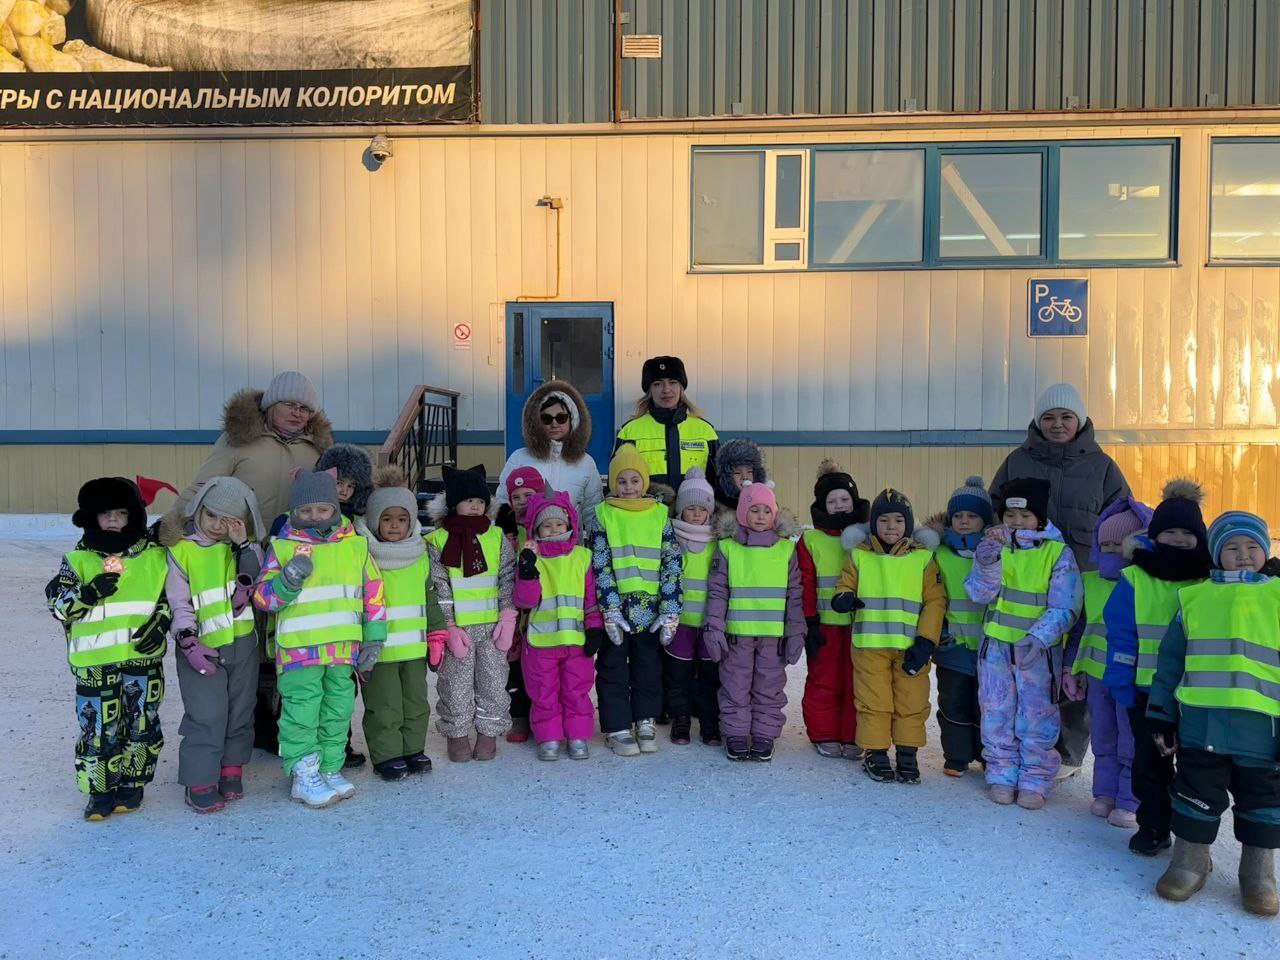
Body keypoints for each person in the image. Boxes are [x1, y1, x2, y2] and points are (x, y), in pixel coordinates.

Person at [163, 370, 334, 755]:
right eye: (290, 405)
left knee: (288, 639)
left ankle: (286, 722)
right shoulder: (240, 441)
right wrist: (173, 526)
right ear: (271, 405)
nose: (297, 413)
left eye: (305, 408)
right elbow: (202, 487)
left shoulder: (316, 449)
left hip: (296, 556)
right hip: (242, 553)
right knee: (248, 640)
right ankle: (249, 722)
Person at [1147, 511, 1280, 917]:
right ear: (1217, 554)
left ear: (1267, 551)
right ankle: (1190, 862)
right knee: (1193, 795)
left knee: (1263, 802)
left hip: (1263, 730)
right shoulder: (1194, 597)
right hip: (1201, 724)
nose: (1243, 556)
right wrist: (1161, 715)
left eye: (1252, 547)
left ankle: (1258, 875)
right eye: (1232, 548)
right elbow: (1170, 664)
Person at [252, 469, 386, 808]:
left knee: (338, 710)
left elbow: (373, 595)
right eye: (306, 511)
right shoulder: (283, 548)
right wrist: (288, 581)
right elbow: (264, 598)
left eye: (323, 510)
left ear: (335, 509)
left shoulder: (356, 547)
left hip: (342, 648)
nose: (315, 517)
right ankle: (303, 772)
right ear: (295, 512)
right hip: (300, 649)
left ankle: (329, 766)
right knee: (302, 711)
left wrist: (373, 640)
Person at [46, 478, 172, 820]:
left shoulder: (155, 556)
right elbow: (58, 606)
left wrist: (161, 622)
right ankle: (99, 791)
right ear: (91, 517)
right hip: (95, 662)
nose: (115, 520)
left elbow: (169, 600)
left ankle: (133, 784)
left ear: (134, 516)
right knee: (98, 727)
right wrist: (87, 593)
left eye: (121, 512)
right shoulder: (78, 559)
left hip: (141, 659)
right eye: (106, 513)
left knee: (141, 723)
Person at [1102, 479, 1212, 856]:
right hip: (1147, 695)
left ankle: (1192, 840)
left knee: (1197, 771)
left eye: (1188, 532)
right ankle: (1154, 826)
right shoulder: (1135, 578)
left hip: (1199, 694)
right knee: (1150, 766)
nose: (1179, 539)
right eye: (1170, 531)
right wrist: (1121, 683)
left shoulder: (1212, 581)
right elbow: (1120, 636)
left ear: (1201, 538)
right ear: (1155, 535)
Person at [965, 478, 1082, 810]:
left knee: (1037, 715)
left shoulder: (1058, 553)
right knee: (996, 711)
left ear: (1040, 518)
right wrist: (986, 563)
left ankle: (1035, 778)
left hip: (1036, 652)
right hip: (996, 648)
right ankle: (1001, 774)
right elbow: (979, 594)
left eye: (1026, 515)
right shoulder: (994, 547)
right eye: (1010, 515)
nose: (1017, 522)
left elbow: (1067, 605)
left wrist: (1041, 636)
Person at [163, 477, 265, 814]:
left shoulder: (245, 550)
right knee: (207, 713)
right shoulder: (181, 551)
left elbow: (253, 585)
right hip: (202, 649)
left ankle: (230, 768)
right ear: (199, 510)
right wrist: (187, 639)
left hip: (242, 646)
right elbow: (179, 602)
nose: (219, 526)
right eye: (212, 517)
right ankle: (199, 779)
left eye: (230, 520)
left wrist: (242, 545)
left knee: (239, 709)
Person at [832, 488, 945, 785]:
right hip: (870, 646)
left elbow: (935, 601)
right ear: (873, 525)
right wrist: (843, 598)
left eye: (898, 520)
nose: (891, 527)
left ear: (908, 524)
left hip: (911, 648)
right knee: (874, 702)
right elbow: (845, 585)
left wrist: (926, 640)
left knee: (912, 701)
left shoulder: (922, 560)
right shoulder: (859, 557)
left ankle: (907, 754)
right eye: (884, 521)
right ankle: (877, 752)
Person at [585, 443, 682, 756]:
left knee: (648, 667)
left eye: (635, 480)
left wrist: (669, 611)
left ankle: (645, 719)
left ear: (645, 482)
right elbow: (600, 563)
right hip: (617, 608)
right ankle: (617, 725)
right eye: (622, 481)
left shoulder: (659, 515)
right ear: (613, 483)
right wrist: (610, 610)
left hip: (651, 611)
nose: (628, 487)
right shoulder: (604, 515)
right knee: (613, 667)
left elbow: (671, 562)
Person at [354, 467, 448, 782]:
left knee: (416, 703)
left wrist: (436, 634)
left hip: (413, 650)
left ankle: (413, 749)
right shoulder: (364, 555)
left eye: (402, 519)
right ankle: (387, 755)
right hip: (379, 651)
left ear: (411, 522)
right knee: (384, 706)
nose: (395, 526)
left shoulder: (419, 555)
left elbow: (430, 596)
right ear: (373, 521)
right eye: (387, 519)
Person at [1066, 496, 1152, 829]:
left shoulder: (1146, 585)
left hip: (1132, 678)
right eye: (1106, 544)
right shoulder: (1090, 582)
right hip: (1098, 677)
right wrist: (1070, 669)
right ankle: (1104, 793)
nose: (1112, 550)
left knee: (1131, 740)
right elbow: (1078, 631)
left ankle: (1130, 799)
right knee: (1103, 737)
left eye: (1121, 544)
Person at [704, 481, 805, 762]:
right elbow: (718, 591)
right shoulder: (728, 549)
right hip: (738, 636)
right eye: (754, 510)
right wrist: (714, 628)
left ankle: (764, 734)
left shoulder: (785, 550)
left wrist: (796, 632)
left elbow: (794, 594)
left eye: (765, 510)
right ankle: (736, 733)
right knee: (735, 685)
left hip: (773, 638)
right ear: (742, 514)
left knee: (768, 687)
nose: (760, 516)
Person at [426, 465, 518, 762]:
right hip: (460, 631)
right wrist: (448, 626)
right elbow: (439, 585)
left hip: (491, 627)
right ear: (454, 504)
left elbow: (506, 576)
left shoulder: (496, 537)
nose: (475, 505)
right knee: (456, 684)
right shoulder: (437, 541)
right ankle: (458, 735)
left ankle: (489, 734)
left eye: (480, 500)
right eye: (468, 500)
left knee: (493, 681)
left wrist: (507, 616)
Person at [513, 489, 606, 761]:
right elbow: (525, 601)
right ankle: (549, 736)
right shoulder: (532, 556)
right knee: (544, 692)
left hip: (576, 640)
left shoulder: (582, 557)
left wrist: (594, 627)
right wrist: (527, 571)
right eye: (547, 525)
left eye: (559, 524)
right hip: (541, 640)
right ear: (536, 528)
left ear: (569, 524)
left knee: (577, 690)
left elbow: (591, 599)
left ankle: (578, 735)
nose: (554, 529)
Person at [799, 460, 869, 760]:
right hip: (825, 625)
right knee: (824, 679)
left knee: (858, 680)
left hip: (861, 624)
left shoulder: (870, 536)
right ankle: (824, 732)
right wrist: (809, 622)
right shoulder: (811, 540)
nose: (839, 506)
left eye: (845, 499)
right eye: (832, 501)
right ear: (821, 505)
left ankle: (854, 734)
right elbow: (805, 582)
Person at [930, 477, 995, 778]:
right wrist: (939, 636)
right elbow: (930, 599)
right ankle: (956, 755)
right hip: (952, 646)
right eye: (958, 516)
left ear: (985, 520)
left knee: (986, 703)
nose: (964, 521)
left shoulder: (996, 556)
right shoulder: (939, 554)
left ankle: (986, 753)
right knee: (953, 701)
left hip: (989, 648)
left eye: (972, 516)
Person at [666, 468, 722, 746]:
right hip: (680, 622)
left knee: (710, 677)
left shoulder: (719, 541)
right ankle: (681, 719)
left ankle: (711, 723)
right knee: (679, 676)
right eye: (690, 508)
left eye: (702, 508)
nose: (697, 514)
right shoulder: (673, 539)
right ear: (681, 511)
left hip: (710, 621)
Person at [497, 380, 603, 521]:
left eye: (561, 418)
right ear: (536, 422)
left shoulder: (585, 462)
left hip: (569, 542)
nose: (554, 423)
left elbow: (593, 510)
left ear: (573, 420)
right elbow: (502, 503)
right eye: (546, 418)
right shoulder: (519, 458)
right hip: (526, 541)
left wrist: (597, 542)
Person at [495, 466, 547, 743]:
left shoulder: (549, 523)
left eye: (529, 494)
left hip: (542, 607)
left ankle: (543, 717)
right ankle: (519, 718)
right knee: (514, 667)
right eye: (517, 497)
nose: (523, 501)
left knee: (539, 666)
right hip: (513, 607)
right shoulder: (503, 528)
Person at [614, 356, 719, 491]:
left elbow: (718, 482)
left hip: (694, 511)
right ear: (649, 390)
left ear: (681, 387)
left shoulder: (705, 431)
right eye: (658, 384)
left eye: (673, 382)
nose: (666, 390)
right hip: (647, 511)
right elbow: (617, 481)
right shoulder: (630, 431)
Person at [316, 443, 374, 522]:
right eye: (339, 483)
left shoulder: (360, 521)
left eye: (350, 486)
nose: (344, 492)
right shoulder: (310, 513)